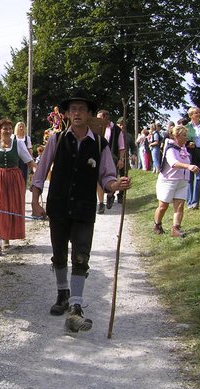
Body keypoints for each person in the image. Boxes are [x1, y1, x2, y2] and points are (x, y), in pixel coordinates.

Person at [30, 91, 132, 333]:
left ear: (88, 115)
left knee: (81, 256)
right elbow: (40, 172)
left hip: (84, 208)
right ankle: (62, 294)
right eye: (73, 109)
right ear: (67, 114)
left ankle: (75, 307)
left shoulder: (99, 143)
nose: (77, 113)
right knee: (58, 255)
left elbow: (107, 176)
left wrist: (116, 185)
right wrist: (35, 201)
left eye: (81, 109)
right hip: (58, 207)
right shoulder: (56, 140)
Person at [0, 118, 36, 256]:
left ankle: (6, 236)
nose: (8, 131)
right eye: (5, 128)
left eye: (10, 128)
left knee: (11, 207)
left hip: (14, 179)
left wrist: (36, 174)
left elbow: (29, 162)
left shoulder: (19, 144)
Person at [153, 125, 200, 238]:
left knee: (179, 206)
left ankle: (176, 229)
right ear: (176, 136)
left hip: (182, 181)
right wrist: (188, 166)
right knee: (163, 206)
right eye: (184, 136)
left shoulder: (183, 148)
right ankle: (157, 224)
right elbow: (173, 163)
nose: (186, 138)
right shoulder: (170, 148)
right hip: (168, 181)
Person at [95, 109, 125, 213]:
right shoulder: (96, 128)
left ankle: (110, 195)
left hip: (112, 159)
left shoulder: (116, 130)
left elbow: (121, 147)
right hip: (98, 157)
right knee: (98, 180)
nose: (97, 119)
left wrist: (121, 159)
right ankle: (101, 203)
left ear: (104, 118)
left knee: (111, 179)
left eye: (99, 117)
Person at [184, 107, 200, 209]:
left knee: (199, 178)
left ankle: (195, 202)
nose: (197, 114)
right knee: (190, 179)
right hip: (191, 154)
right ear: (190, 115)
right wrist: (188, 143)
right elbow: (182, 140)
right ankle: (189, 201)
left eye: (198, 112)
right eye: (195, 113)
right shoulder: (187, 127)